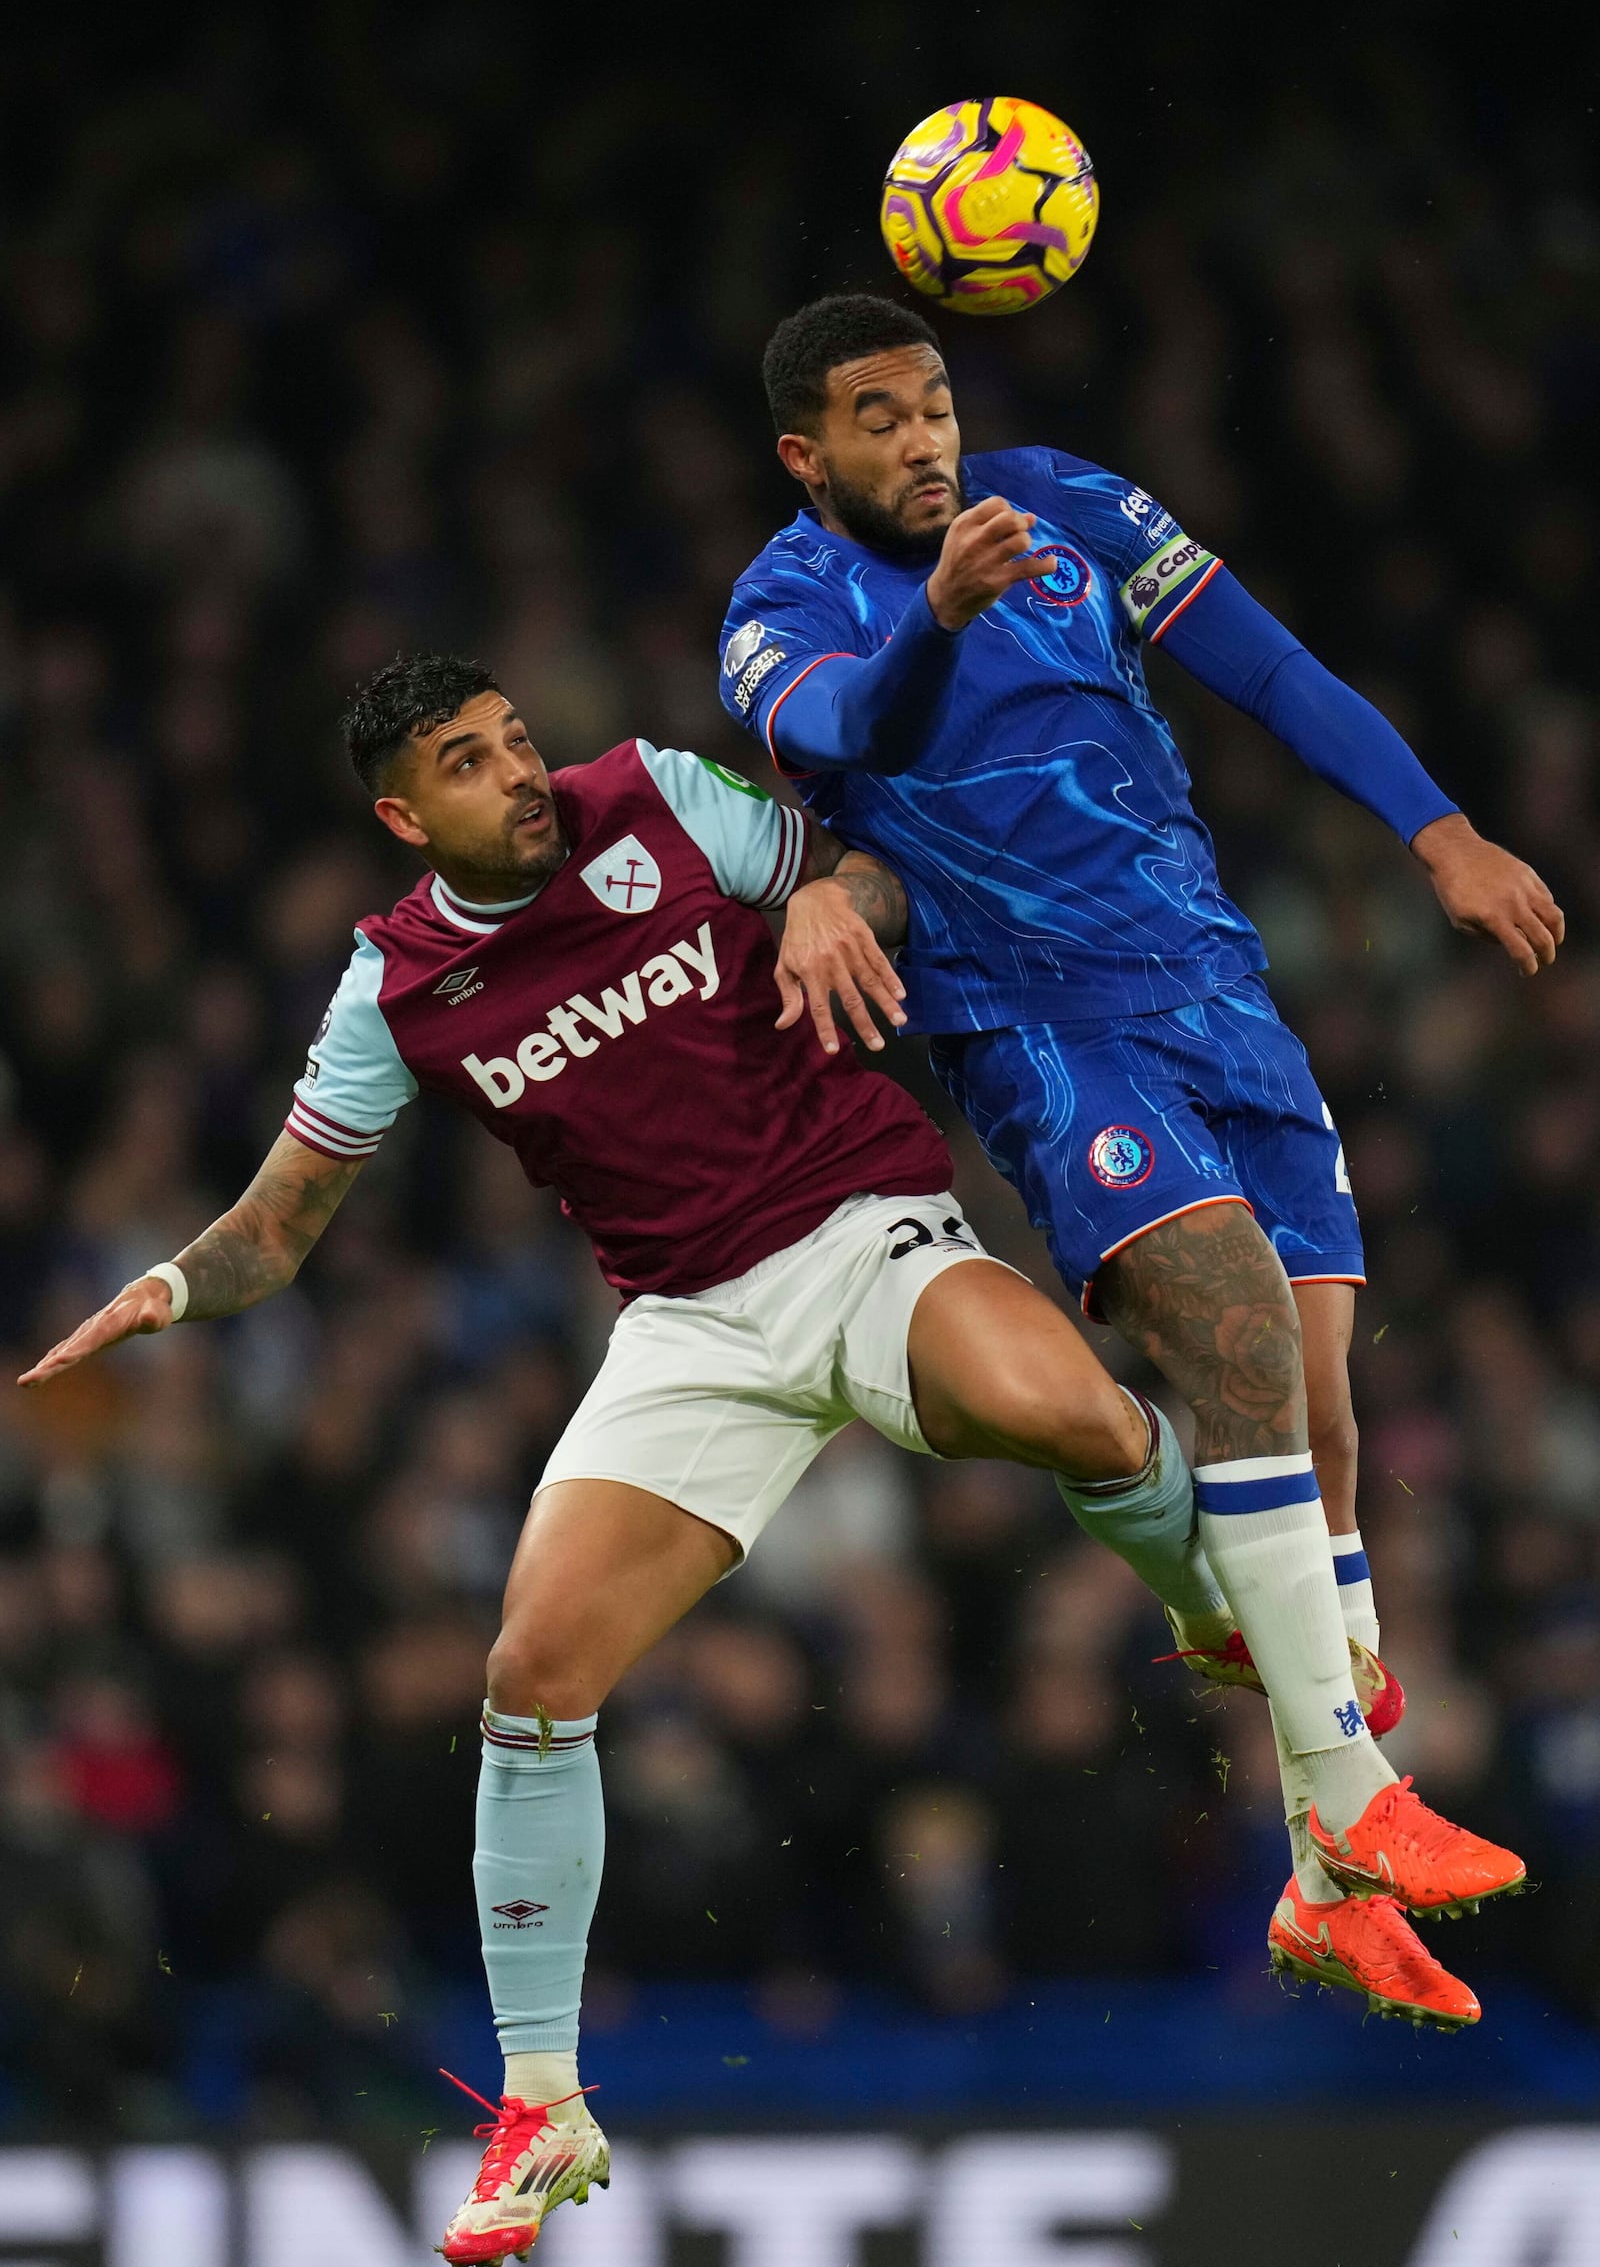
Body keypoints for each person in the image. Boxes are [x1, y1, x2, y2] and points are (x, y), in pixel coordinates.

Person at [23, 655, 1504, 2254]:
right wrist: (172, 1286)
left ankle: (1268, 1708)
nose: (522, 771)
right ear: (406, 814)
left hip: (864, 1230)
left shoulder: (658, 797)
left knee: (1082, 1412)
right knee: (531, 1665)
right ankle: (544, 2104)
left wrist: (827, 899)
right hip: (689, 1331)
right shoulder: (396, 988)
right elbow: (279, 1227)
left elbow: (871, 865)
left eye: (518, 738)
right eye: (471, 762)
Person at [717, 292, 1550, 2019]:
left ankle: (1323, 1888)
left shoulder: (1072, 504)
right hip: (1035, 1018)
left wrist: (1441, 830)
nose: (924, 439)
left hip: (1214, 985)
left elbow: (1269, 666)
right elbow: (852, 737)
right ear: (806, 453)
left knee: (1318, 1413)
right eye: (877, 417)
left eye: (933, 401)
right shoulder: (782, 607)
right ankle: (1359, 1796)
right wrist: (939, 619)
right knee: (1233, 1326)